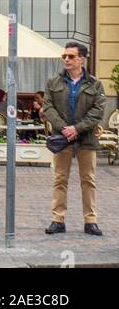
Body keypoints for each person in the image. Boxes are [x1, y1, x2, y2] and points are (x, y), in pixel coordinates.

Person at [42, 39, 106, 236]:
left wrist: (77, 129)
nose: (66, 60)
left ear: (82, 59)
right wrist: (64, 129)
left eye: (71, 56)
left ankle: (91, 221)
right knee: (60, 179)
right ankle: (58, 219)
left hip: (86, 139)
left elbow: (98, 111)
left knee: (88, 180)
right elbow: (48, 107)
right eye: (65, 56)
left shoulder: (95, 84)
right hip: (62, 139)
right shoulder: (53, 82)